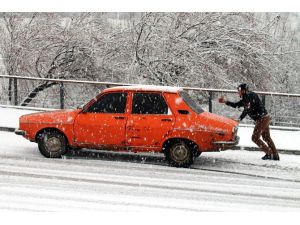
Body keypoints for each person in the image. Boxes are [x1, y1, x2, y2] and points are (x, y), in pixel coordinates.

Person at [218, 83, 280, 161]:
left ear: (244, 91)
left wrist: (239, 119)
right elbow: (236, 105)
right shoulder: (246, 97)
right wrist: (225, 101)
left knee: (255, 138)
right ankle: (275, 155)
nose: (238, 92)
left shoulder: (250, 96)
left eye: (239, 90)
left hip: (262, 119)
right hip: (265, 117)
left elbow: (247, 109)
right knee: (266, 137)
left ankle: (269, 153)